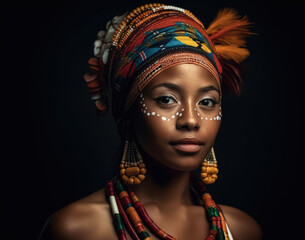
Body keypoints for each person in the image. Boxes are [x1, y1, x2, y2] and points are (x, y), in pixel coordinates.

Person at [41, 3, 262, 240]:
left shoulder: (240, 230)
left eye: (206, 102)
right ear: (129, 108)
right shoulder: (76, 230)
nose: (190, 120)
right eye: (167, 99)